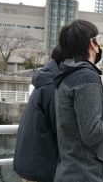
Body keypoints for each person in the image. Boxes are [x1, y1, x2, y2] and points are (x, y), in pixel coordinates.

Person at [53, 19, 103, 182]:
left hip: (73, 170)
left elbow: (87, 115)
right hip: (90, 174)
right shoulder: (86, 76)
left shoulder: (69, 73)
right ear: (92, 43)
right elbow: (92, 133)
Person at [13, 46, 65, 182]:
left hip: (30, 164)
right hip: (42, 170)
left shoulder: (46, 80)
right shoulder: (54, 87)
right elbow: (64, 131)